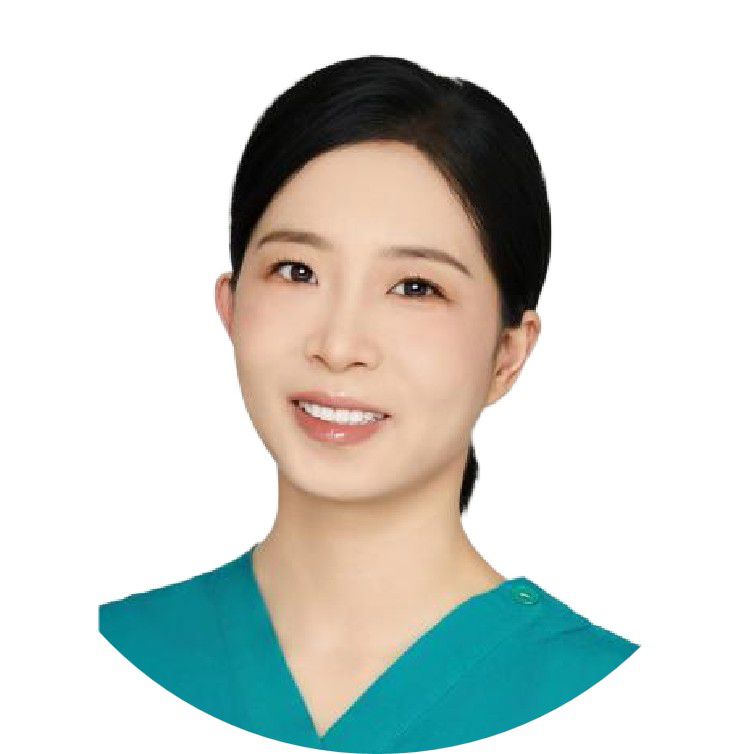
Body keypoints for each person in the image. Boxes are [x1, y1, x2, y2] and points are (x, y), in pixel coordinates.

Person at [99, 55, 639, 752]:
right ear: (230, 308)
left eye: (415, 287)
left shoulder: (612, 696)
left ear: (507, 354)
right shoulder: (105, 652)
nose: (339, 344)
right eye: (297, 271)